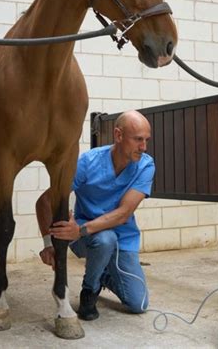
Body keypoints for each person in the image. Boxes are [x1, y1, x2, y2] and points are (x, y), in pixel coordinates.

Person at [35, 110, 155, 321]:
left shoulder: (145, 165)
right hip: (87, 239)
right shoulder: (88, 163)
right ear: (118, 136)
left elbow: (123, 214)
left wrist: (78, 230)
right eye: (138, 140)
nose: (143, 147)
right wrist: (48, 243)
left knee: (139, 303)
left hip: (116, 239)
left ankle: (102, 274)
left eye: (146, 140)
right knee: (105, 238)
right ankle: (89, 291)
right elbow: (44, 201)